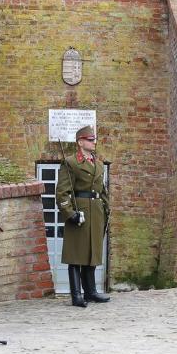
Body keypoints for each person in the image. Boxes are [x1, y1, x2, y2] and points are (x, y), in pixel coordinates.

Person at [55, 125, 110, 308]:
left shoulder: (99, 163)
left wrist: (106, 208)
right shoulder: (71, 162)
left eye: (94, 139)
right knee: (76, 255)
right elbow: (62, 193)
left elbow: (102, 190)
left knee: (92, 253)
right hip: (80, 211)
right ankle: (76, 295)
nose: (93, 142)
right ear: (80, 142)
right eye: (89, 139)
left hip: (96, 211)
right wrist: (70, 214)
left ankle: (91, 292)